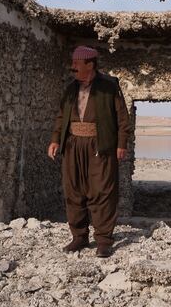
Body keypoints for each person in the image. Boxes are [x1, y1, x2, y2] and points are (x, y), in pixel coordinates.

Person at [48, 46, 131, 257]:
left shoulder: (109, 86)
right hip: (73, 144)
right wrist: (56, 140)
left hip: (100, 145)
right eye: (73, 62)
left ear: (90, 64)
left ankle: (103, 240)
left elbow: (122, 118)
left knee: (102, 190)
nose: (73, 66)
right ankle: (79, 237)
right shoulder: (70, 89)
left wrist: (121, 144)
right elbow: (60, 117)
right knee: (74, 189)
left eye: (77, 63)